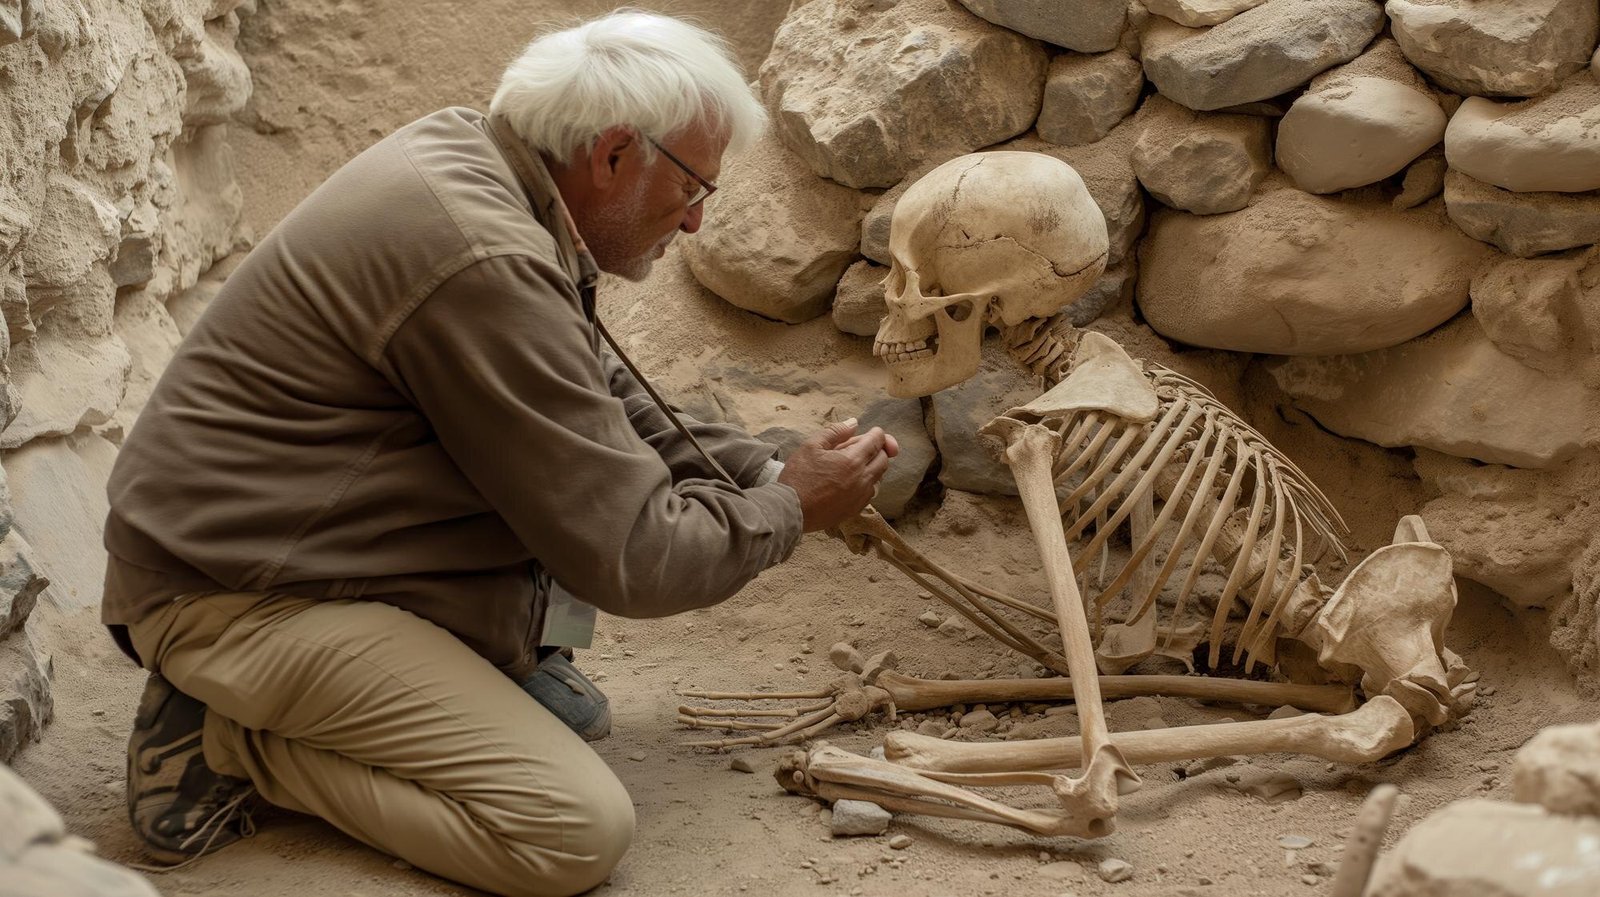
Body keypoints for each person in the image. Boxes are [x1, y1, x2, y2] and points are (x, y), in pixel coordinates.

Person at [102, 11, 897, 896]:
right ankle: (230, 737)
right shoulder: (480, 252)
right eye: (695, 188)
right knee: (572, 830)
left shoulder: (477, 162)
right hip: (237, 594)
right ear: (613, 154)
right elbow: (635, 556)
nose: (699, 221)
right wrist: (787, 507)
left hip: (295, 546)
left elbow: (598, 394)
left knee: (574, 711)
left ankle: (328, 694)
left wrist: (757, 464)